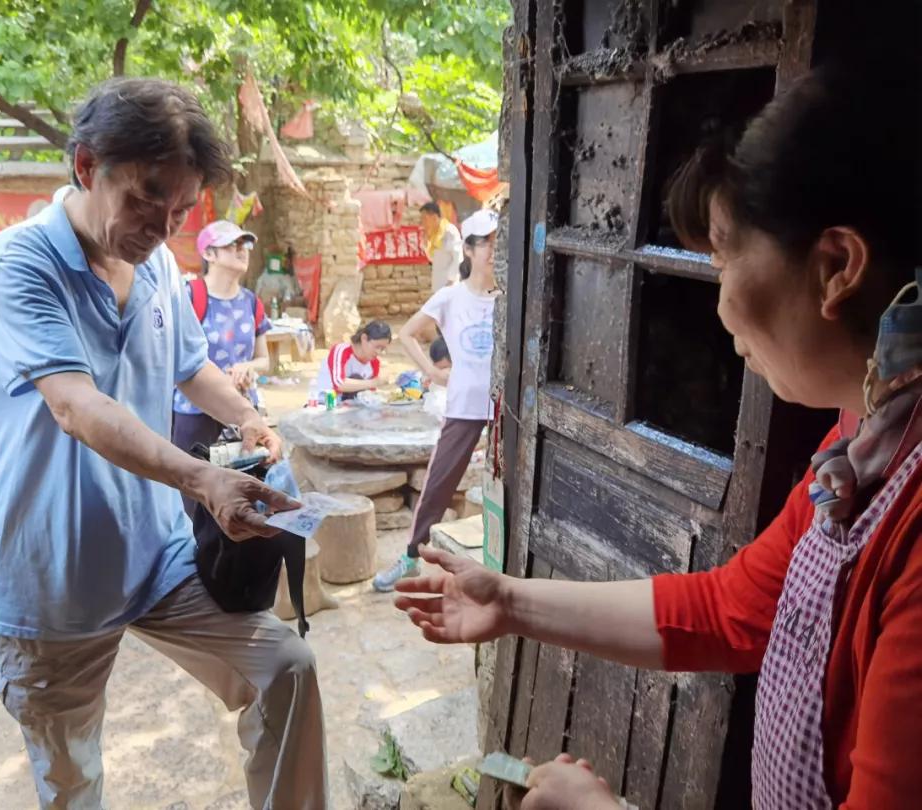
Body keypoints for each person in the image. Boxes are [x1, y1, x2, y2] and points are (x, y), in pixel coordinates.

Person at [395, 65, 922, 809]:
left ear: (835, 267)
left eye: (724, 256)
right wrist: (509, 602)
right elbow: (731, 608)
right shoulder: (864, 443)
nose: (723, 306)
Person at [0, 78, 326, 810]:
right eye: (144, 199)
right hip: (49, 579)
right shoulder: (18, 265)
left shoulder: (159, 263)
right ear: (84, 166)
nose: (163, 227)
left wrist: (255, 422)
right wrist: (203, 479)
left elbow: (191, 368)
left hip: (156, 554)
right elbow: (75, 406)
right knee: (73, 782)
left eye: (182, 210)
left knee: (285, 668)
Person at [374, 210, 499, 592]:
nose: (493, 250)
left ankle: (502, 560)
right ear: (469, 249)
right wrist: (433, 371)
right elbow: (408, 333)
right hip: (464, 403)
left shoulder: (509, 297)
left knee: (506, 484)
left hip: (503, 407)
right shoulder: (450, 297)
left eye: (498, 241)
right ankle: (411, 556)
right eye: (486, 243)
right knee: (438, 484)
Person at [171, 218, 271, 512]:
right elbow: (175, 358)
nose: (242, 250)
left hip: (239, 412)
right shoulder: (189, 296)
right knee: (193, 494)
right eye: (232, 244)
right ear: (209, 254)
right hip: (193, 412)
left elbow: (264, 359)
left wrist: (250, 367)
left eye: (245, 244)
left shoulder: (252, 303)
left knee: (237, 489)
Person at [312, 319, 391, 402]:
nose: (378, 352)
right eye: (377, 347)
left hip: (353, 408)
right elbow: (339, 384)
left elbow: (369, 393)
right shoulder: (341, 351)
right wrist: (374, 382)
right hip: (326, 404)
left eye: (382, 349)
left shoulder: (374, 362)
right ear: (364, 338)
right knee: (356, 377)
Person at [421, 201, 463, 292]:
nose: (423, 223)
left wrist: (451, 280)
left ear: (434, 217)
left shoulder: (449, 231)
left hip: (450, 286)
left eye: (425, 218)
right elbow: (433, 260)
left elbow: (458, 257)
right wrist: (426, 245)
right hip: (438, 285)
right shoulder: (433, 235)